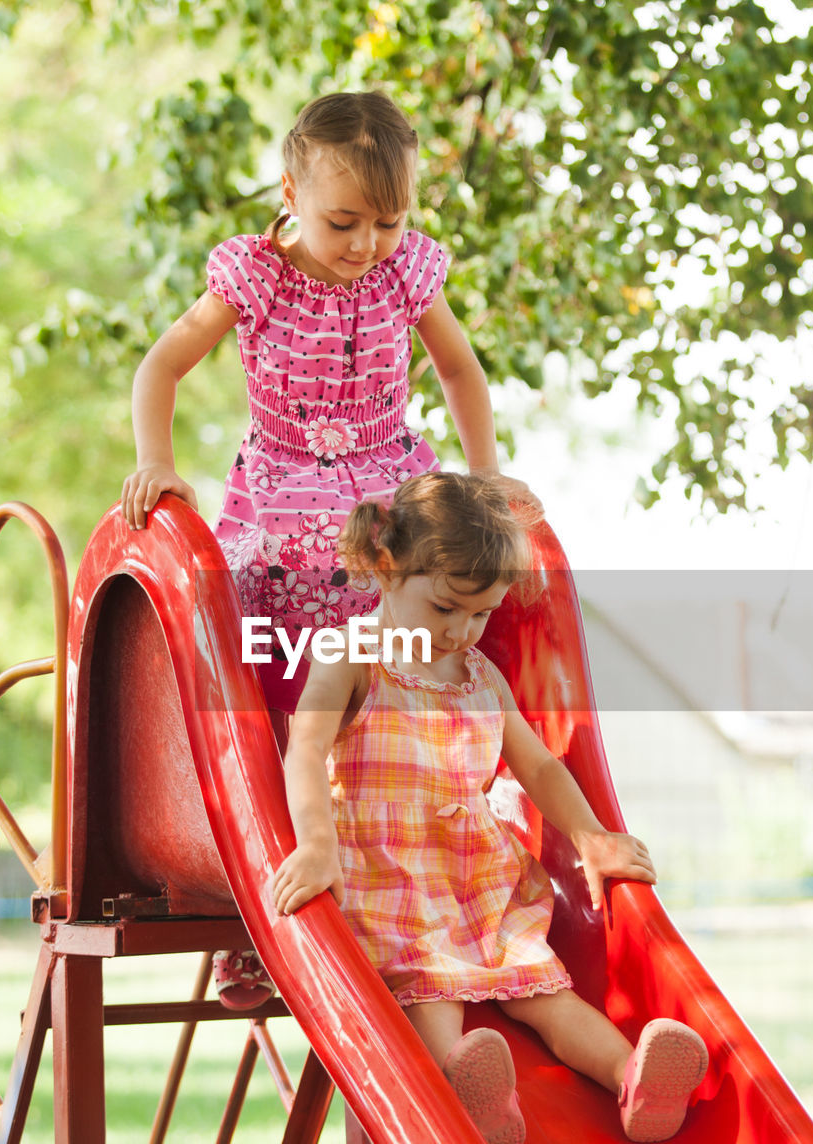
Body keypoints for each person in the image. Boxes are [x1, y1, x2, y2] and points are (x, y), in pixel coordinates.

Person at [120, 90, 534, 1010]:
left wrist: (487, 474)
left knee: (422, 651)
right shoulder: (255, 276)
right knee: (277, 700)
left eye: (389, 222)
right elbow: (162, 365)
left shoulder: (405, 275)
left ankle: (440, 858)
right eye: (344, 221)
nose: (366, 244)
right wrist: (159, 464)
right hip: (284, 509)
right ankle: (265, 918)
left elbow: (461, 371)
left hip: (387, 498)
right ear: (292, 191)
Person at [271, 473, 708, 1144]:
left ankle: (634, 1080)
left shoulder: (481, 676)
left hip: (475, 873)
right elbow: (306, 747)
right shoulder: (351, 656)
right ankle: (468, 1092)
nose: (460, 631)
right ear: (387, 568)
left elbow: (539, 767)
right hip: (389, 874)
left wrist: (591, 838)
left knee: (544, 987)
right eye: (445, 607)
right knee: (429, 991)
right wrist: (316, 845)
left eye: (479, 615)